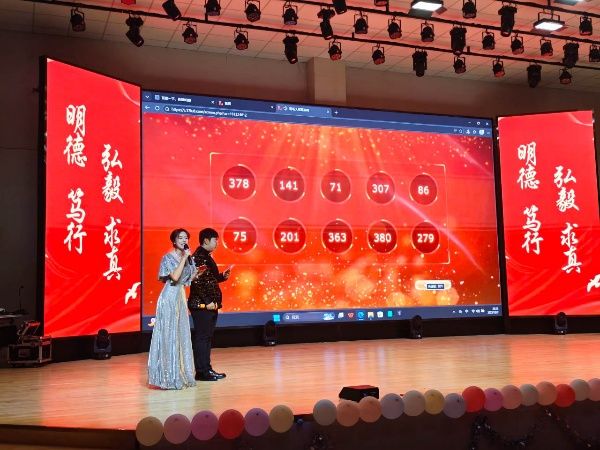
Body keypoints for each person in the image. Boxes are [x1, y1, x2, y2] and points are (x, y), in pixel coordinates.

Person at [148, 228, 202, 389]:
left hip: (180, 297)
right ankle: (167, 377)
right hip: (169, 298)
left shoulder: (187, 258)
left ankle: (180, 373)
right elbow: (175, 277)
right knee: (169, 335)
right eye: (180, 237)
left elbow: (186, 280)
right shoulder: (168, 257)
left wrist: (196, 273)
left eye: (186, 238)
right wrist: (184, 258)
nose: (184, 240)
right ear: (174, 240)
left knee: (180, 335)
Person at [189, 228, 231, 381]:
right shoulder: (198, 257)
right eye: (215, 240)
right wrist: (207, 302)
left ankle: (207, 369)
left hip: (210, 305)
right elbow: (197, 282)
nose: (217, 243)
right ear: (206, 240)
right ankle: (202, 372)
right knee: (202, 338)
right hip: (202, 306)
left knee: (206, 338)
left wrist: (222, 277)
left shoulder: (206, 256)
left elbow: (210, 279)